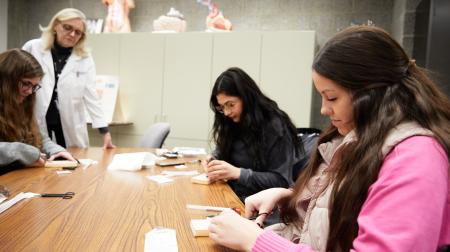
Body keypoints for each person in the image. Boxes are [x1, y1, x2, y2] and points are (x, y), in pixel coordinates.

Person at [208, 26, 450, 251]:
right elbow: (345, 207)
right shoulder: (357, 138)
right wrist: (291, 197)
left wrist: (257, 242)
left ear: (372, 92)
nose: (324, 110)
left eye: (332, 98)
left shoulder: (415, 159)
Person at [204, 67, 304, 202]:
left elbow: (280, 181)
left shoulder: (275, 126)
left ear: (246, 98)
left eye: (231, 104)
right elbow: (223, 149)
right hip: (233, 196)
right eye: (222, 107)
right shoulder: (232, 121)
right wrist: (213, 159)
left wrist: (237, 173)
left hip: (263, 207)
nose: (226, 112)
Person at [22, 8, 115, 149]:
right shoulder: (33, 47)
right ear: (55, 26)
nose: (72, 34)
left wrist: (105, 132)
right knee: (38, 161)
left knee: (71, 163)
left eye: (78, 32)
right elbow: (16, 81)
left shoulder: (84, 58)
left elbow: (91, 96)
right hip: (36, 117)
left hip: (68, 123)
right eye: (67, 28)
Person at [0, 49, 76, 175]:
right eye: (26, 83)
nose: (30, 92)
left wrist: (56, 151)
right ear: (6, 79)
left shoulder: (23, 103)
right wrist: (21, 151)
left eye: (34, 86)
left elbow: (40, 137)